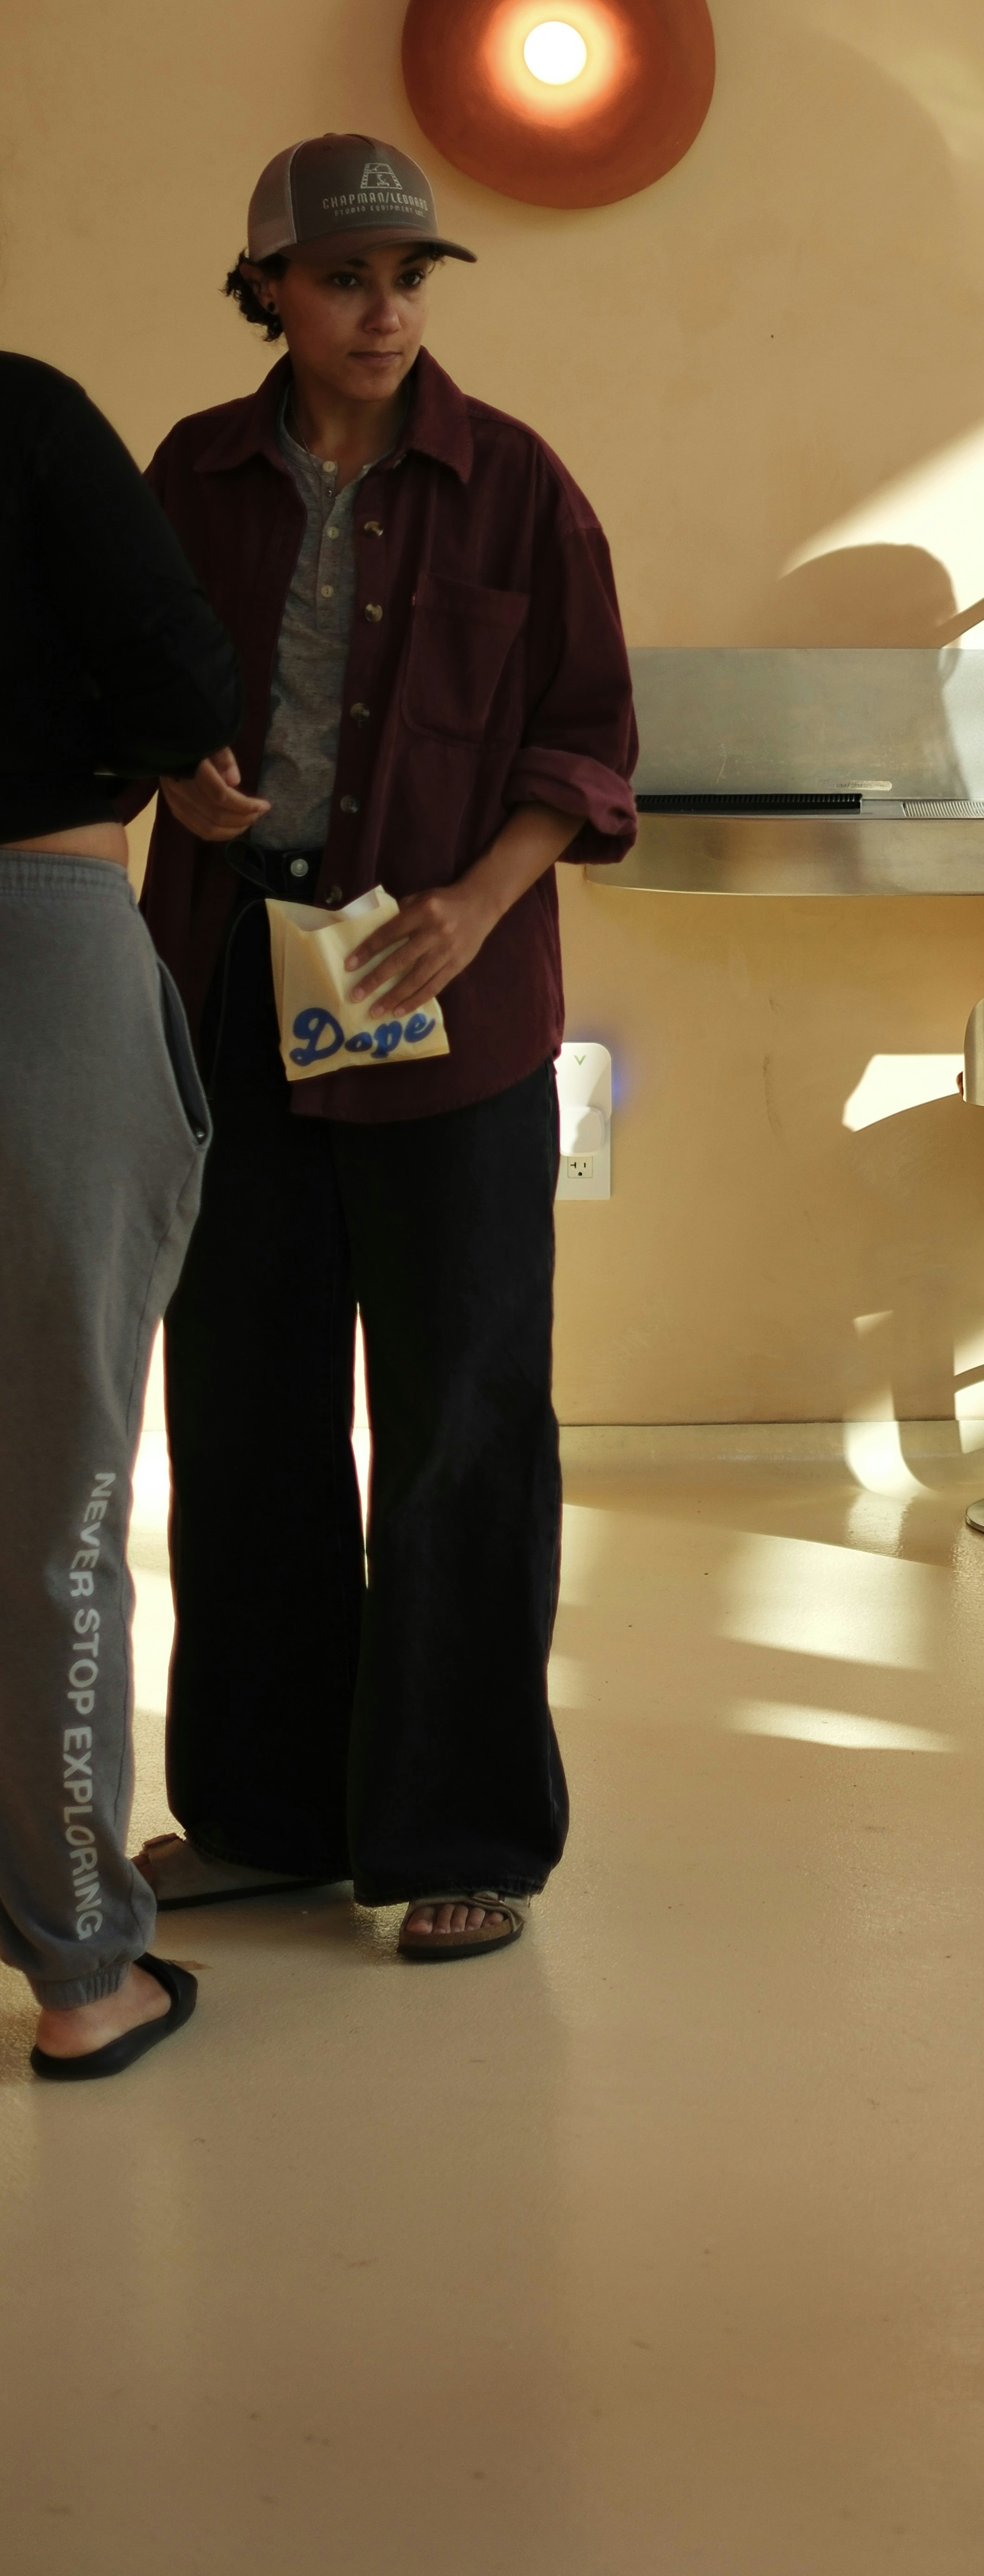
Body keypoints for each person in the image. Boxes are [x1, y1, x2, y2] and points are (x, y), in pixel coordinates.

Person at [130, 134, 636, 1963]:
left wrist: (485, 901)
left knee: (466, 1420)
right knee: (246, 1410)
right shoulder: (189, 474)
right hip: (226, 990)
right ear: (265, 283)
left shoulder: (516, 485)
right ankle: (266, 1812)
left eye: (412, 271)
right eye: (347, 276)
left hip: (457, 1006)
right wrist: (176, 774)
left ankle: (463, 1824)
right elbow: (119, 688)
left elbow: (587, 737)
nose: (387, 307)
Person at [0, 351, 241, 2078]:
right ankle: (82, 1971)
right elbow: (176, 661)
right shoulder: (17, 414)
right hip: (34, 935)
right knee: (53, 1491)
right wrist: (193, 756)